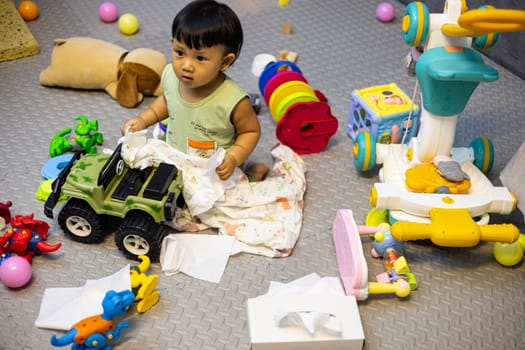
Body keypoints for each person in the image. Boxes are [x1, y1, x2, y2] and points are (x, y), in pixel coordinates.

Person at [122, 0, 267, 181]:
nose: (186, 66)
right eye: (180, 53)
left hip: (214, 169)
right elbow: (168, 102)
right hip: (175, 156)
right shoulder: (170, 75)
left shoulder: (234, 101)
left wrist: (233, 158)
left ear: (224, 62)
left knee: (226, 201)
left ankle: (251, 171)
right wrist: (143, 120)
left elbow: (250, 132)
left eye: (200, 58)